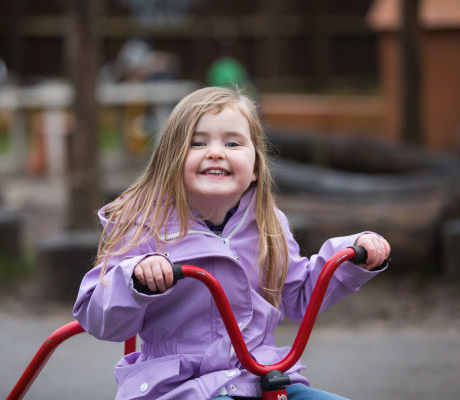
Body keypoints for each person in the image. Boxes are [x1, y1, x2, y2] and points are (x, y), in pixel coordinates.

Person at [73, 86, 390, 400]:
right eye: (197, 142)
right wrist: (135, 279)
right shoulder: (145, 225)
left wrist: (350, 256)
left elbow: (299, 295)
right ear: (170, 161)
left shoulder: (267, 223)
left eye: (233, 143)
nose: (215, 152)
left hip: (257, 377)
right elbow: (96, 316)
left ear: (254, 168)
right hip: (179, 386)